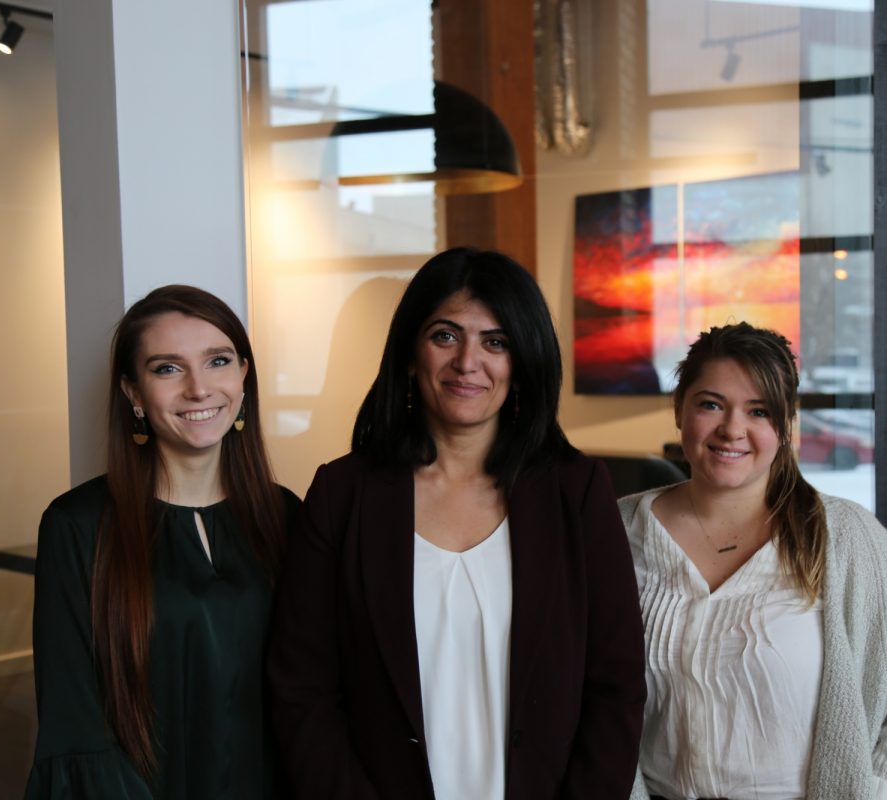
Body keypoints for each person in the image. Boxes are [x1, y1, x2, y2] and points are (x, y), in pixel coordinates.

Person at [268, 247, 646, 800]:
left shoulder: (577, 493)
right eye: (445, 336)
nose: (468, 362)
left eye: (496, 342)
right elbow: (300, 690)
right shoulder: (342, 495)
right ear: (408, 353)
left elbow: (616, 689)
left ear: (522, 364)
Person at [619, 323, 887, 800]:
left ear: (785, 424)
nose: (732, 429)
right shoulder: (616, 533)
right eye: (710, 404)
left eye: (759, 411)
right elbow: (587, 697)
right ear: (679, 410)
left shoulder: (848, 538)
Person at [25, 285, 299, 799]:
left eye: (217, 361)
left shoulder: (287, 515)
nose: (199, 389)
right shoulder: (76, 526)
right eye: (167, 369)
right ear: (132, 392)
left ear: (244, 374)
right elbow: (74, 722)